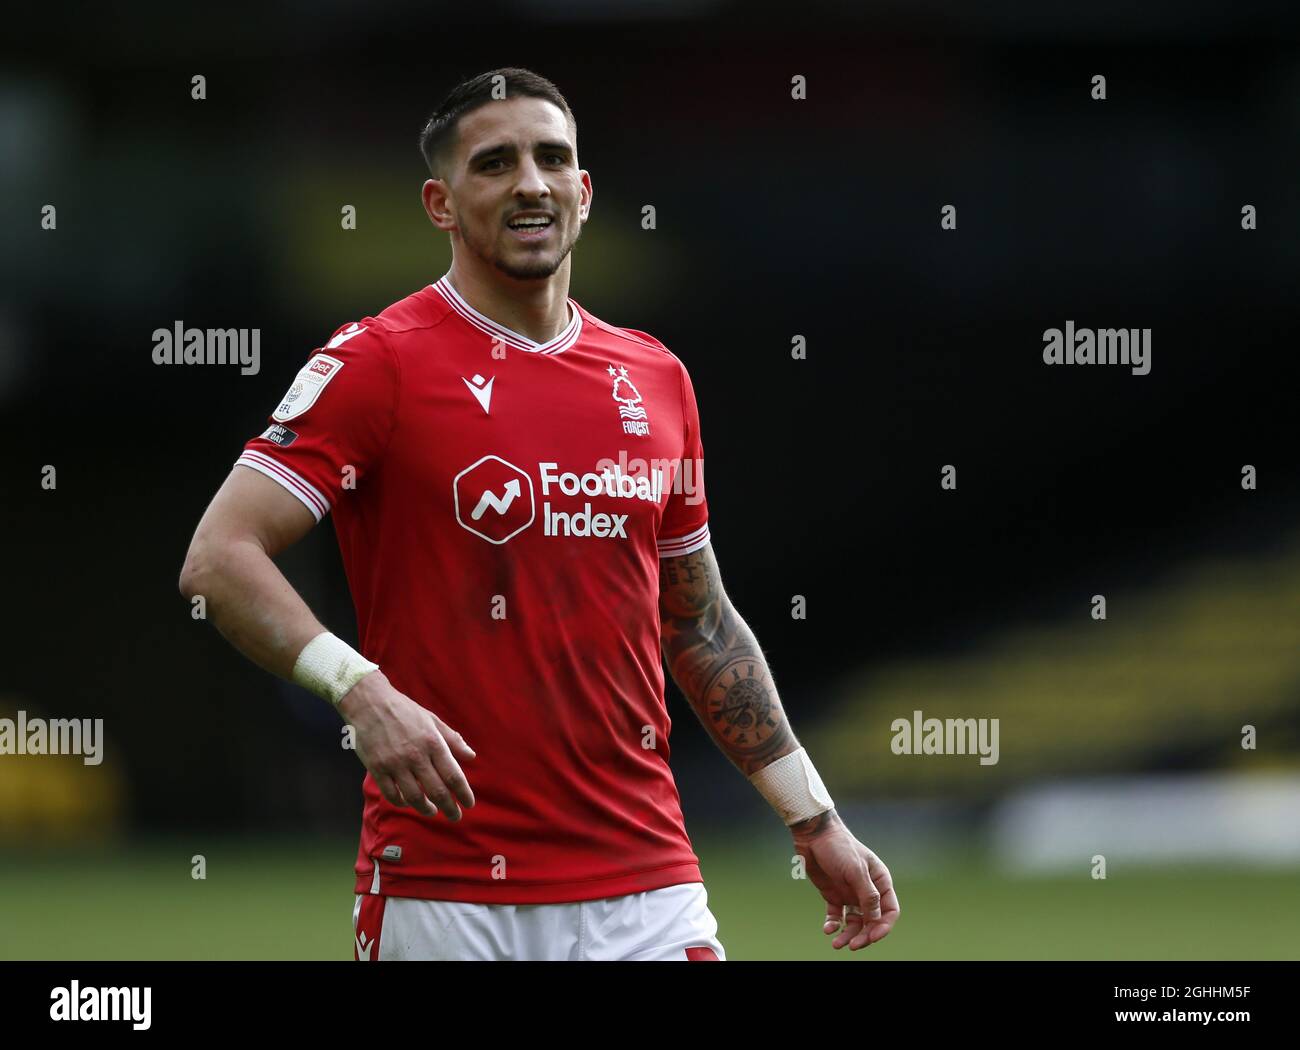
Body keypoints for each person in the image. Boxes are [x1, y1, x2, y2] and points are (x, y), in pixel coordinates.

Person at [178, 67, 899, 961]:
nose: (530, 182)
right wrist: (359, 691)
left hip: (647, 883)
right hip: (445, 887)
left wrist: (813, 815)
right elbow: (219, 556)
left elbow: (699, 620)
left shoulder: (655, 378)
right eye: (495, 164)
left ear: (584, 192)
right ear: (440, 203)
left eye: (552, 158)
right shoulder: (380, 362)